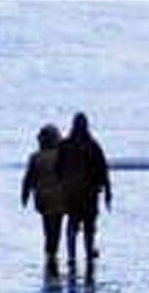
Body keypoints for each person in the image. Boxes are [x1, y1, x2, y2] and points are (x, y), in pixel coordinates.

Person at [56, 111, 114, 271]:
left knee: (72, 225)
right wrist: (108, 191)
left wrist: (60, 188)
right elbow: (103, 170)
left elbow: (57, 170)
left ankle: (72, 256)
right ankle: (88, 255)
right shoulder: (93, 145)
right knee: (89, 226)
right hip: (90, 193)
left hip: (71, 193)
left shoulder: (65, 145)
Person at [19, 123, 66, 276]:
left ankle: (50, 253)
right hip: (60, 198)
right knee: (57, 227)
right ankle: (52, 254)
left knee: (47, 227)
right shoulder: (62, 155)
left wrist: (24, 195)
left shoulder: (35, 157)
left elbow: (28, 179)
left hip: (43, 199)